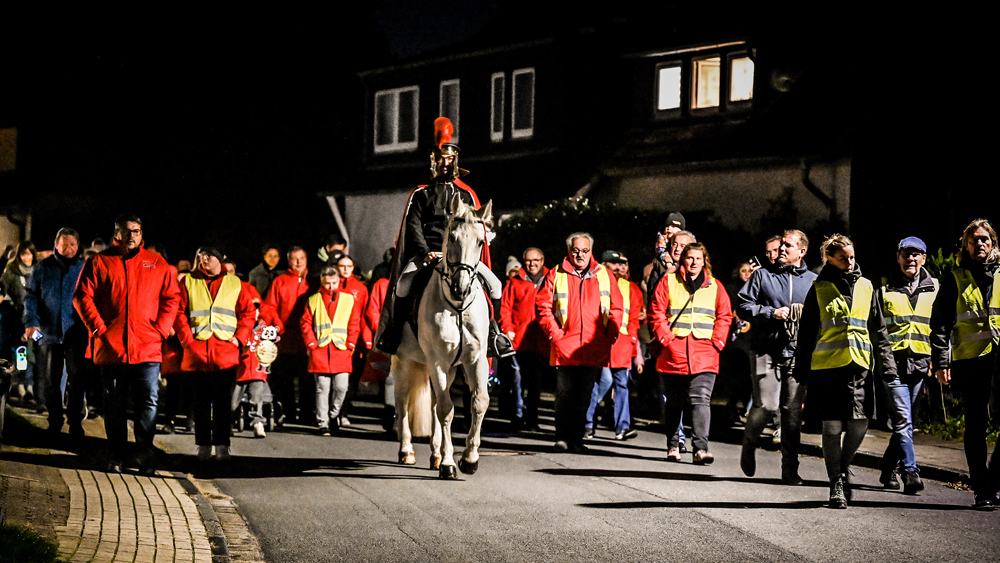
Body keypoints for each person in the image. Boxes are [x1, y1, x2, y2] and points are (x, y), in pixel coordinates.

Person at [375, 117, 510, 359]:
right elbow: (413, 225)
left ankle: (493, 334)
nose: (446, 164)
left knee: (496, 285)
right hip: (430, 252)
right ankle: (393, 333)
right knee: (404, 283)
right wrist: (425, 250)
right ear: (433, 161)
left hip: (462, 257)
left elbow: (476, 225)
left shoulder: (467, 194)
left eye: (450, 159)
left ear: (456, 162)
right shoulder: (421, 194)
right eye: (442, 159)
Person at [793, 234, 896, 509]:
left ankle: (841, 464)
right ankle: (835, 482)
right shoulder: (819, 288)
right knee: (832, 426)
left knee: (860, 423)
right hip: (827, 369)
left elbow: (879, 330)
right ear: (829, 259)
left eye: (852, 256)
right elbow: (807, 333)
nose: (850, 262)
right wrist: (801, 370)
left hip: (859, 366)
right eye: (843, 258)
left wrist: (888, 366)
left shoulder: (866, 286)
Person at [74, 214, 180, 473]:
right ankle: (117, 455)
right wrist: (99, 327)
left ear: (142, 234)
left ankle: (144, 455)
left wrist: (161, 329)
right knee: (115, 404)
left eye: (136, 231)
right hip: (113, 348)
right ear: (117, 233)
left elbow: (172, 297)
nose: (132, 235)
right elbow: (82, 296)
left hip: (147, 347)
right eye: (126, 231)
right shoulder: (100, 261)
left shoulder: (156, 263)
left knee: (148, 403)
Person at [735, 229, 817, 484]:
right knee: (768, 406)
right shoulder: (762, 276)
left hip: (797, 354)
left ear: (801, 251)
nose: (782, 249)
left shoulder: (814, 281)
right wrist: (772, 313)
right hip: (765, 350)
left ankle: (790, 469)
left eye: (788, 246)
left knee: (792, 413)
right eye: (781, 245)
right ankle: (749, 444)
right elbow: (742, 305)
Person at [930, 219, 999, 508]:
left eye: (984, 239)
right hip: (970, 360)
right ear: (966, 246)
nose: (979, 244)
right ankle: (982, 491)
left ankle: (993, 481)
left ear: (993, 243)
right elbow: (940, 324)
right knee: (975, 426)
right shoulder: (955, 278)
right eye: (974, 240)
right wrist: (941, 362)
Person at [535, 232, 624, 453]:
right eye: (576, 250)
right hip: (565, 348)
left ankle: (576, 438)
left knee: (585, 396)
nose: (580, 255)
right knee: (565, 395)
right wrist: (556, 335)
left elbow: (616, 308)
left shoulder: (604, 274)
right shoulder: (556, 274)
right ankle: (563, 437)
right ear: (569, 251)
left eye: (585, 251)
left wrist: (608, 337)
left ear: (591, 251)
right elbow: (543, 307)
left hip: (593, 348)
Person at [650, 242, 732, 464]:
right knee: (674, 402)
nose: (694, 262)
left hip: (705, 351)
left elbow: (725, 316)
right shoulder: (668, 281)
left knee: (701, 400)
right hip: (673, 351)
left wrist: (718, 341)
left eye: (698, 258)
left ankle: (700, 449)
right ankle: (673, 445)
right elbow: (656, 311)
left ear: (704, 261)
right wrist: (665, 338)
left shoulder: (715, 286)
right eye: (690, 258)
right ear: (682, 260)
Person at [174, 247, 255, 461]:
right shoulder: (189, 281)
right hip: (197, 350)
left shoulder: (235, 283)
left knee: (222, 402)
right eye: (201, 256)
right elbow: (179, 311)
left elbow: (248, 313)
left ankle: (222, 446)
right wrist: (186, 339)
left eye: (208, 256)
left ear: (219, 260)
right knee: (200, 402)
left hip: (224, 352)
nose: (203, 259)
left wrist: (239, 338)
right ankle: (203, 446)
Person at [878, 236, 937, 495]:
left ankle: (887, 467)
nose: (911, 259)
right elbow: (878, 330)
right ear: (898, 257)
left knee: (907, 420)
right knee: (902, 420)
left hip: (921, 364)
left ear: (924, 258)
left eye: (916, 254)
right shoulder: (883, 288)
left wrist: (938, 359)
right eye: (906, 254)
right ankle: (910, 471)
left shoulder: (936, 287)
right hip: (892, 365)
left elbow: (940, 328)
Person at [23, 228, 87, 436]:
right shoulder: (43, 267)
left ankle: (75, 421)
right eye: (64, 244)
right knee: (51, 378)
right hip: (47, 332)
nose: (69, 249)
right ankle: (55, 421)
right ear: (56, 245)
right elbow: (31, 297)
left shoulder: (84, 268)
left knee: (77, 379)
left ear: (78, 246)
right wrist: (31, 322)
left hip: (77, 333)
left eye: (73, 244)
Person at [585, 250, 643, 441]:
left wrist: (635, 350)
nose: (618, 267)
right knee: (600, 383)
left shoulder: (631, 288)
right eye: (613, 264)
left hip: (622, 344)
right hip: (600, 341)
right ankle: (587, 423)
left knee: (621, 385)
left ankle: (622, 427)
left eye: (621, 264)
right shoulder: (594, 281)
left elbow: (633, 320)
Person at [301, 266, 363, 435]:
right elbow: (305, 323)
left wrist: (351, 344)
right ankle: (323, 423)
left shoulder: (348, 299)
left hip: (341, 349)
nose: (330, 287)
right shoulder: (313, 299)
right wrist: (311, 344)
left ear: (338, 282)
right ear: (322, 282)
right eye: (327, 283)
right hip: (320, 350)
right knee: (322, 389)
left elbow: (354, 323)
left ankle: (334, 415)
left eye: (333, 283)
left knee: (342, 387)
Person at [499, 247, 550, 431]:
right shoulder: (515, 282)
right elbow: (505, 309)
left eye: (535, 260)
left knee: (536, 382)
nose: (532, 264)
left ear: (542, 261)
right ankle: (518, 417)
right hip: (518, 341)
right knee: (518, 380)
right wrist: (508, 330)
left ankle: (532, 419)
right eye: (528, 260)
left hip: (541, 341)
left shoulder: (551, 280)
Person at [263, 246, 314, 426]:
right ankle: (289, 412)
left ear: (306, 260)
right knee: (285, 379)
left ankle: (308, 414)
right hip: (284, 338)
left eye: (301, 258)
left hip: (306, 339)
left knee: (307, 380)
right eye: (294, 258)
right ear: (289, 261)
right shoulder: (280, 281)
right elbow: (269, 307)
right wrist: (277, 327)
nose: (298, 262)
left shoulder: (313, 282)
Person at [333, 254, 368, 427]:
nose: (345, 269)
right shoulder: (331, 285)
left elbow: (363, 315)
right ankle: (330, 413)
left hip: (354, 340)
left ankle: (344, 412)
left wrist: (364, 340)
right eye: (342, 266)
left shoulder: (360, 289)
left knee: (350, 381)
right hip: (333, 340)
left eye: (349, 266)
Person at [2, 241, 37, 403]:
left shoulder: (38, 271)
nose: (26, 257)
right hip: (17, 318)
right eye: (23, 254)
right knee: (21, 351)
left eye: (29, 254)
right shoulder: (12, 271)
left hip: (36, 319)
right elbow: (4, 291)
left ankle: (31, 384)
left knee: (35, 351)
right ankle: (21, 384)